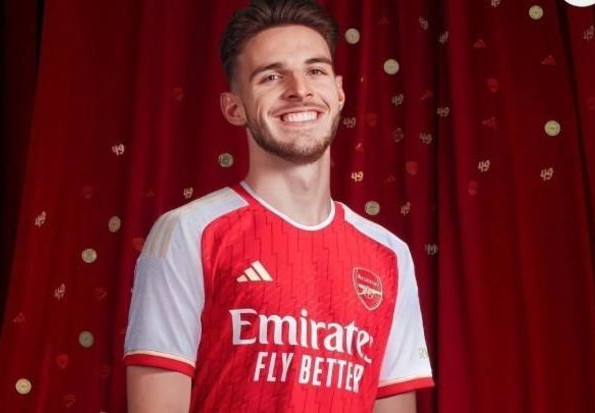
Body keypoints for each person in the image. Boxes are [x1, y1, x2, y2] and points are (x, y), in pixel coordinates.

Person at [124, 0, 434, 411]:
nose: (299, 89)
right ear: (234, 108)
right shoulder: (187, 232)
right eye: (271, 76)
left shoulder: (390, 255)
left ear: (340, 92)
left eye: (316, 71)